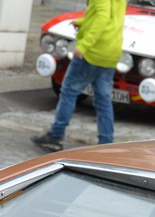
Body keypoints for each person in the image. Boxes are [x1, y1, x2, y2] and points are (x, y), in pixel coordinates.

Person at [31, 0, 124, 151]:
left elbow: (103, 17)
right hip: (111, 51)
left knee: (69, 91)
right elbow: (110, 16)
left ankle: (56, 135)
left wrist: (84, 44)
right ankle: (106, 142)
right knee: (103, 99)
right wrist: (83, 22)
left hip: (93, 51)